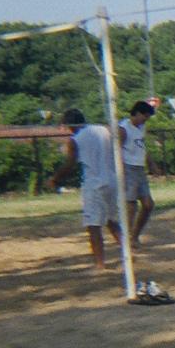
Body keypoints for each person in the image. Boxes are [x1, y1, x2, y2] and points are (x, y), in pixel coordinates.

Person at [49, 108, 121, 269]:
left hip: (94, 183)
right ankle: (127, 252)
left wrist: (56, 178)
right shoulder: (102, 130)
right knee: (111, 220)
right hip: (112, 180)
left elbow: (71, 163)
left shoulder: (76, 139)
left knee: (93, 225)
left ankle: (100, 263)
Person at [117, 101, 157, 244]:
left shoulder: (141, 128)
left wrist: (151, 163)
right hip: (128, 168)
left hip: (139, 168)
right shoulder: (123, 128)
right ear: (138, 113)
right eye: (145, 116)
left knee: (148, 205)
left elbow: (142, 146)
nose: (145, 120)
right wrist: (120, 171)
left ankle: (135, 235)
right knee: (131, 204)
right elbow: (117, 151)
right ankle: (126, 237)